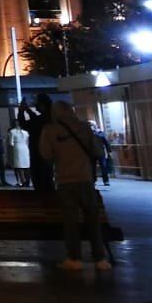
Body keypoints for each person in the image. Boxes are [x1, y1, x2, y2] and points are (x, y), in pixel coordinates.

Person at [38, 101, 109, 272]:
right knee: (92, 219)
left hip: (65, 180)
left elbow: (45, 154)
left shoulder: (50, 130)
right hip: (86, 179)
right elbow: (98, 151)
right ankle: (99, 258)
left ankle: (74, 258)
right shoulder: (85, 128)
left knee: (70, 221)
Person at [23, 95, 54, 192]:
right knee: (44, 178)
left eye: (37, 104)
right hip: (44, 153)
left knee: (42, 179)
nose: (35, 106)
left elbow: (31, 124)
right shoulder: (51, 118)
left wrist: (24, 111)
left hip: (41, 153)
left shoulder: (46, 120)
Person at [7, 117, 31, 187]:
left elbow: (11, 143)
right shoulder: (26, 132)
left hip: (17, 148)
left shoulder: (12, 132)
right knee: (26, 166)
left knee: (19, 166)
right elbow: (28, 142)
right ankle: (27, 181)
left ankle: (23, 181)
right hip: (25, 148)